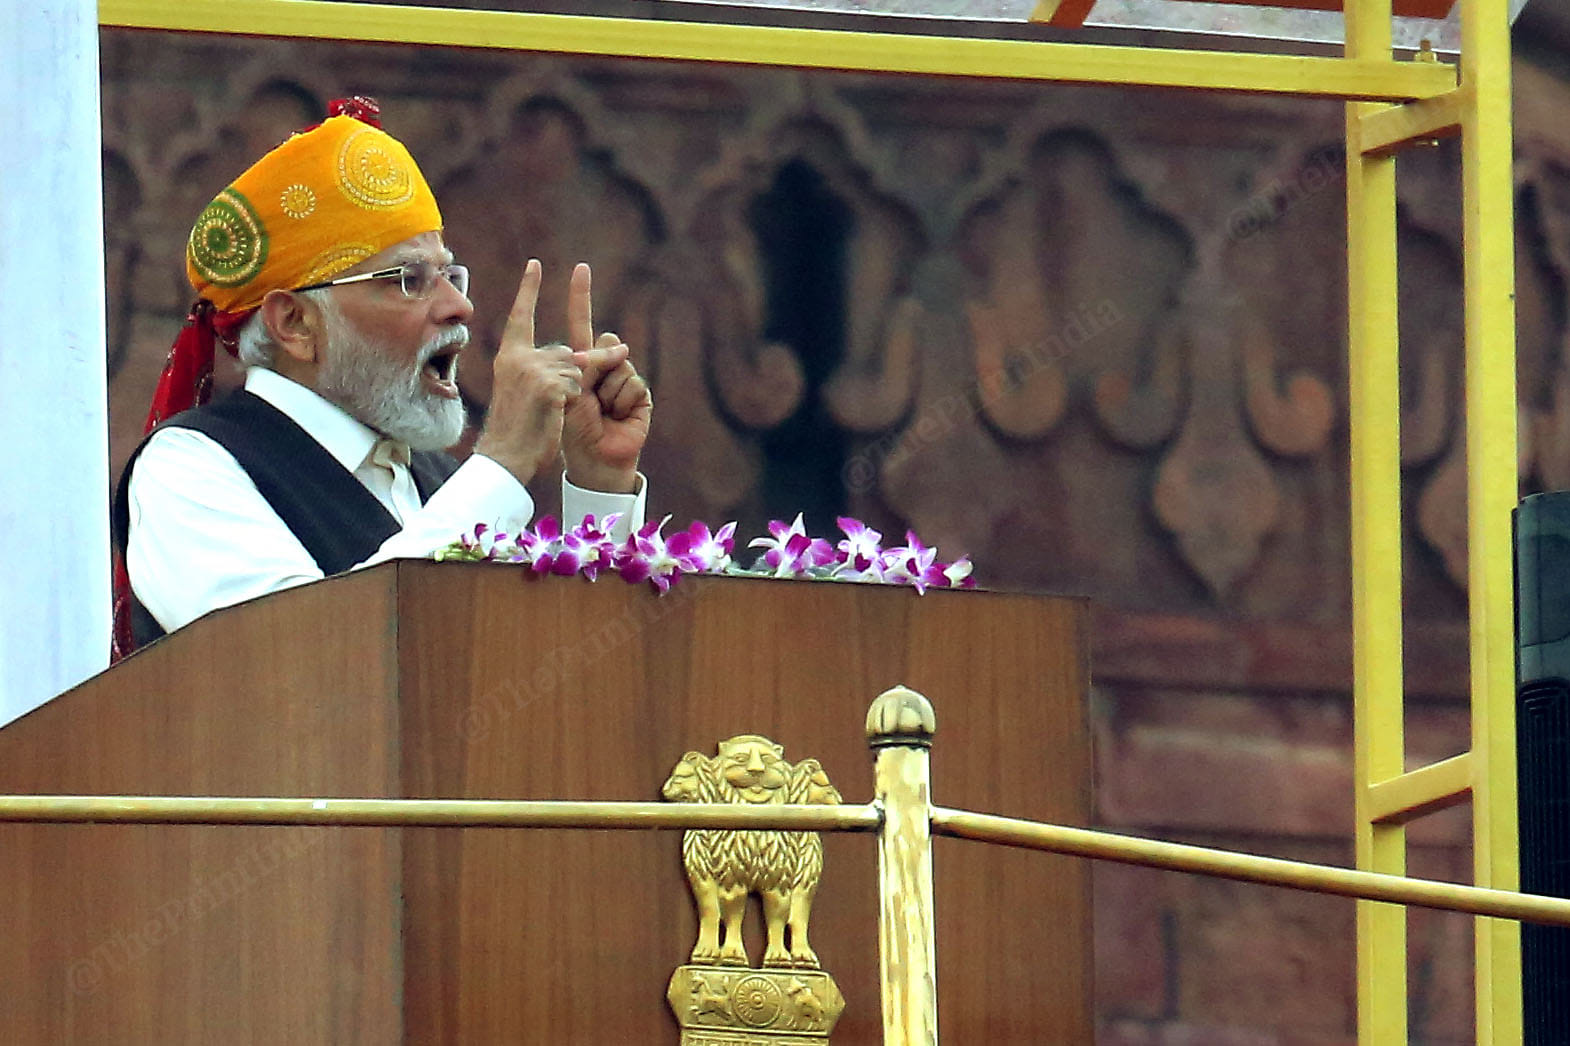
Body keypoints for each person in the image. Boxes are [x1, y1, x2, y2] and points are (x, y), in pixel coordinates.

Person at [111, 97, 652, 658]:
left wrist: (598, 488)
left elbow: (556, 672)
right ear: (296, 322)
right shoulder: (189, 469)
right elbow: (293, 665)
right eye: (409, 280)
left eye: (449, 274)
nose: (458, 307)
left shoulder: (437, 480)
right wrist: (503, 461)